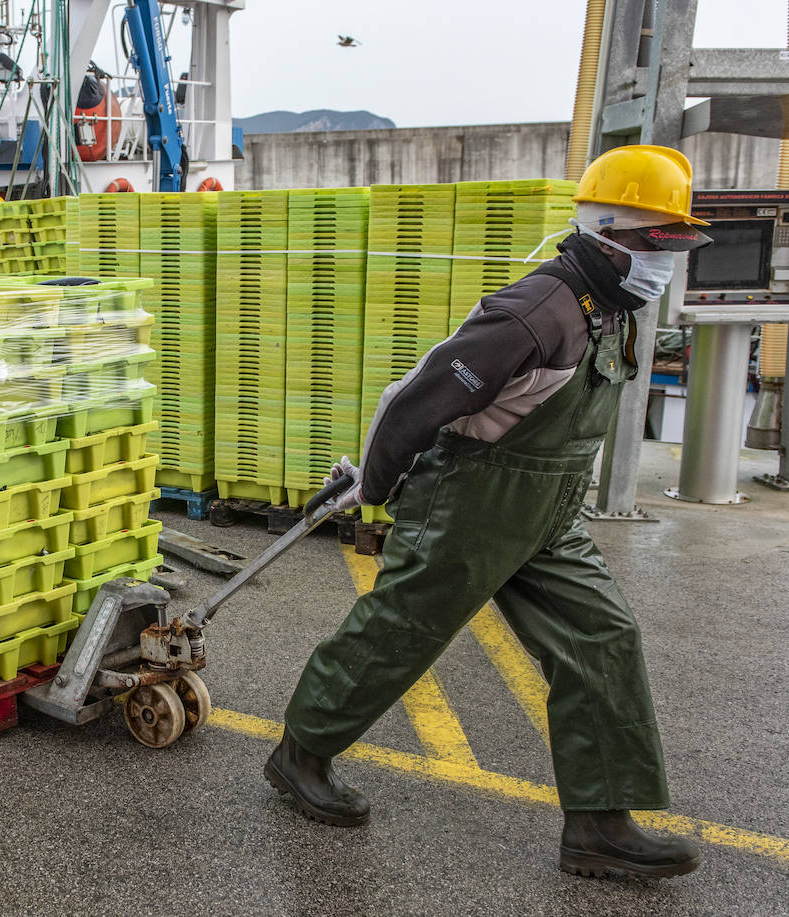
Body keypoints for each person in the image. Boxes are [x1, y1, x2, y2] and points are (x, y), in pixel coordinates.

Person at [265, 145, 713, 880]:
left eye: (671, 244)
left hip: (547, 508)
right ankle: (300, 751)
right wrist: (373, 484)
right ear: (607, 232)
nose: (664, 261)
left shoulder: (617, 308)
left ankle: (601, 824)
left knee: (602, 634)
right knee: (402, 631)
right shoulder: (535, 314)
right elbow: (410, 400)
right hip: (471, 502)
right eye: (651, 244)